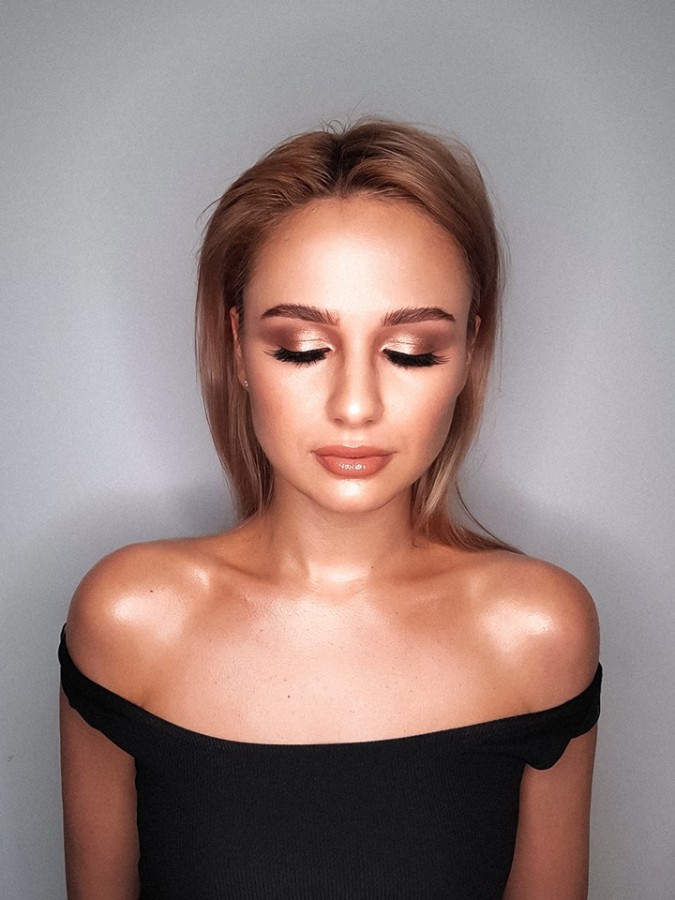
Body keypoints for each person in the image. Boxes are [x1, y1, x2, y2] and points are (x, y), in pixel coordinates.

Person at [59, 119, 601, 899]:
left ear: (468, 355)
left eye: (411, 352)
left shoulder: (535, 631)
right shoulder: (131, 619)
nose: (354, 405)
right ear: (236, 345)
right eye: (301, 348)